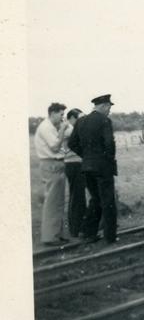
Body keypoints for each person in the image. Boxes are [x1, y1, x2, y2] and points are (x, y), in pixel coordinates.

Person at [68, 94, 118, 243]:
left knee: (96, 199)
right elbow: (109, 144)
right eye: (109, 107)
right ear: (103, 106)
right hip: (103, 167)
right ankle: (110, 237)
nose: (109, 111)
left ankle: (88, 232)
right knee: (108, 201)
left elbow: (72, 143)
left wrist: (86, 156)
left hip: (87, 166)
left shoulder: (81, 121)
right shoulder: (105, 121)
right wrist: (107, 159)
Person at [34, 102, 69, 245]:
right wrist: (62, 130)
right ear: (53, 113)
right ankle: (50, 237)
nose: (62, 118)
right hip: (51, 164)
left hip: (55, 165)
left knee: (57, 201)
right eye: (61, 115)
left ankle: (56, 234)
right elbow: (55, 146)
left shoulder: (51, 127)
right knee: (52, 201)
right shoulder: (46, 127)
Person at [62, 108, 87, 237]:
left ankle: (76, 227)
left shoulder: (66, 128)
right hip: (74, 164)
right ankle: (77, 228)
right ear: (71, 118)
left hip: (72, 164)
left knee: (76, 196)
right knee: (78, 197)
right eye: (78, 119)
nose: (79, 121)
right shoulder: (69, 129)